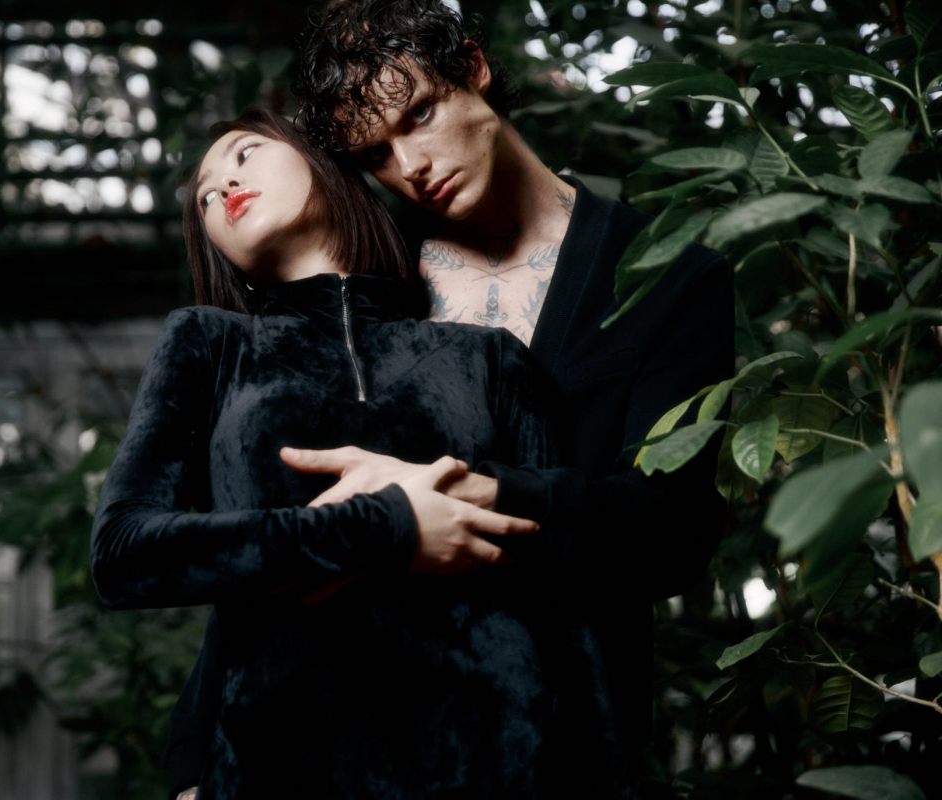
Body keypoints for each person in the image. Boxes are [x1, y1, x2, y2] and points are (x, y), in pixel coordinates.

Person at [165, 2, 735, 798]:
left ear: (472, 69)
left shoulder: (665, 276)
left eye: (420, 116)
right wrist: (195, 764)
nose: (411, 165)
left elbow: (672, 532)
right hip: (350, 743)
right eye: (376, 153)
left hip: (560, 748)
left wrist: (468, 493)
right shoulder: (370, 273)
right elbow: (275, 519)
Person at [90, 107, 570, 797]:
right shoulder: (211, 346)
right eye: (204, 197)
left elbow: (567, 585)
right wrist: (385, 528)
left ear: (323, 162)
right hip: (279, 766)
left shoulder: (488, 356)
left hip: (492, 763)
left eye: (245, 154)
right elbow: (124, 555)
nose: (223, 187)